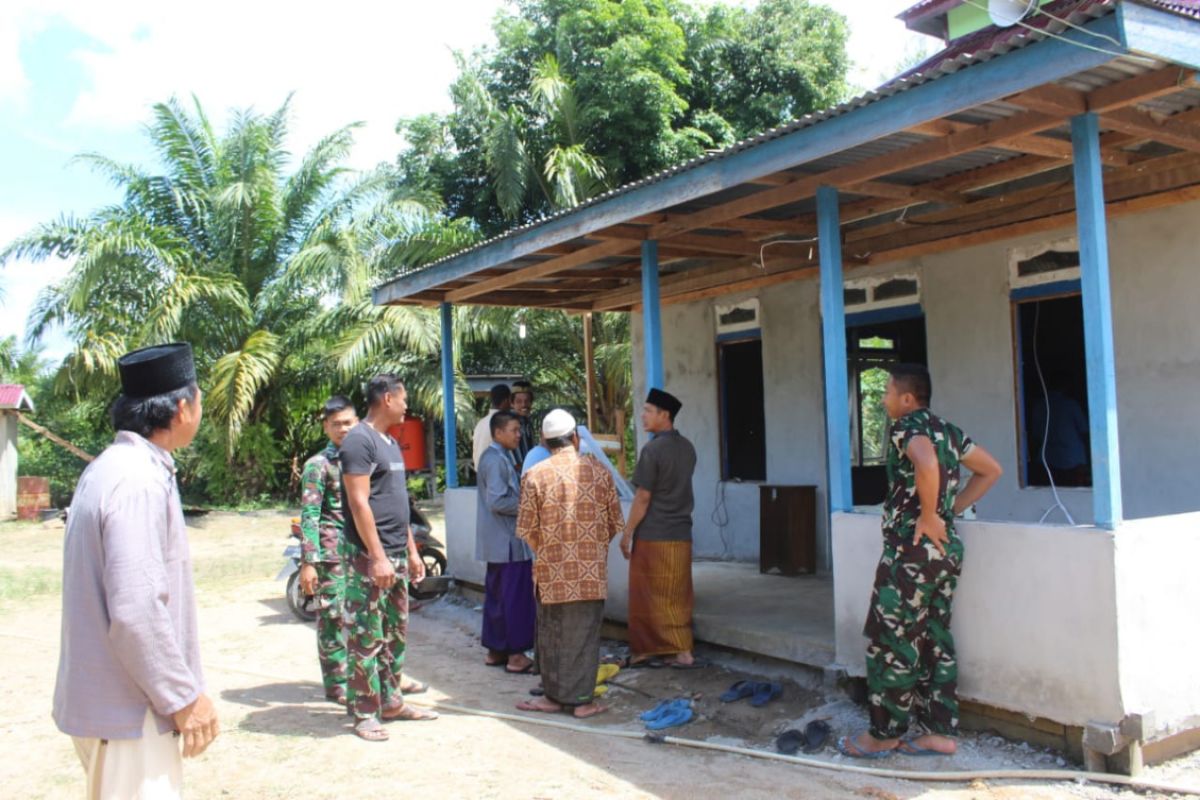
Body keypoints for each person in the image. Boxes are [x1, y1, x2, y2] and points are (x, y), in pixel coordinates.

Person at [54, 342, 218, 799]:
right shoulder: (137, 480)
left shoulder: (112, 467)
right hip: (133, 714)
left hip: (118, 709)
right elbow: (136, 611)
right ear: (182, 407)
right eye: (199, 398)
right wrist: (183, 698)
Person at [840, 364, 1002, 760]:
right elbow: (990, 469)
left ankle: (884, 734)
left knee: (892, 642)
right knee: (934, 639)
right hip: (945, 552)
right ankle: (938, 732)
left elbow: (926, 462)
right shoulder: (948, 430)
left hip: (911, 554)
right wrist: (949, 511)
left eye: (887, 392)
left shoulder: (906, 426)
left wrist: (930, 516)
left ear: (907, 399)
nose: (883, 399)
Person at [340, 374, 437, 741]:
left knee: (395, 633)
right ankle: (365, 712)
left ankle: (392, 701)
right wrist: (377, 556)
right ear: (386, 398)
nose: (406, 405)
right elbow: (359, 501)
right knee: (367, 635)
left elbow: (399, 507)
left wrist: (412, 553)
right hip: (370, 556)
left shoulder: (390, 444)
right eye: (403, 398)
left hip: (397, 552)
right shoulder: (358, 442)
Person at [515, 409, 623, 719]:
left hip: (550, 573)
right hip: (590, 573)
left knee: (551, 634)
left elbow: (527, 531)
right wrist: (592, 549)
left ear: (544, 442)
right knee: (584, 635)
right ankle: (580, 701)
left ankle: (552, 696)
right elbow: (614, 522)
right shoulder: (600, 471)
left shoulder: (535, 475)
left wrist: (549, 553)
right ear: (575, 438)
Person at [619, 389, 699, 668]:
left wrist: (627, 532)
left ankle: (645, 651)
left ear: (665, 415)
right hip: (681, 532)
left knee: (646, 595)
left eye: (648, 410)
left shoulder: (652, 450)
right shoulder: (688, 447)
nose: (642, 415)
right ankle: (683, 651)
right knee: (678, 595)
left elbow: (643, 496)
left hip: (654, 534)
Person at [297, 395, 358, 705]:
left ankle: (364, 677)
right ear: (326, 427)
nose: (343, 429)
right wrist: (309, 562)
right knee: (331, 617)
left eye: (348, 423)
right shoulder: (317, 465)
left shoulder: (363, 460)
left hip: (359, 553)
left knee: (362, 618)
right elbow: (309, 515)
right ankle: (336, 683)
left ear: (357, 423)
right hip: (331, 557)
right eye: (336, 424)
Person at [475, 410, 536, 673]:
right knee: (515, 599)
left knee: (498, 598)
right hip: (509, 543)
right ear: (498, 432)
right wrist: (530, 504)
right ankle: (516, 655)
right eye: (513, 430)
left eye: (519, 430)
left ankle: (496, 650)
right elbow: (498, 501)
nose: (518, 434)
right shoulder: (496, 460)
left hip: (498, 543)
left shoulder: (496, 457)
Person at [472, 383, 512, 471]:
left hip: (481, 475)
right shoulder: (504, 423)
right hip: (497, 474)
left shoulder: (480, 423)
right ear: (506, 400)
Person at [510, 379, 537, 465]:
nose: (523, 405)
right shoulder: (508, 424)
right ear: (512, 403)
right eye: (519, 401)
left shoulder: (528, 422)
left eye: (527, 401)